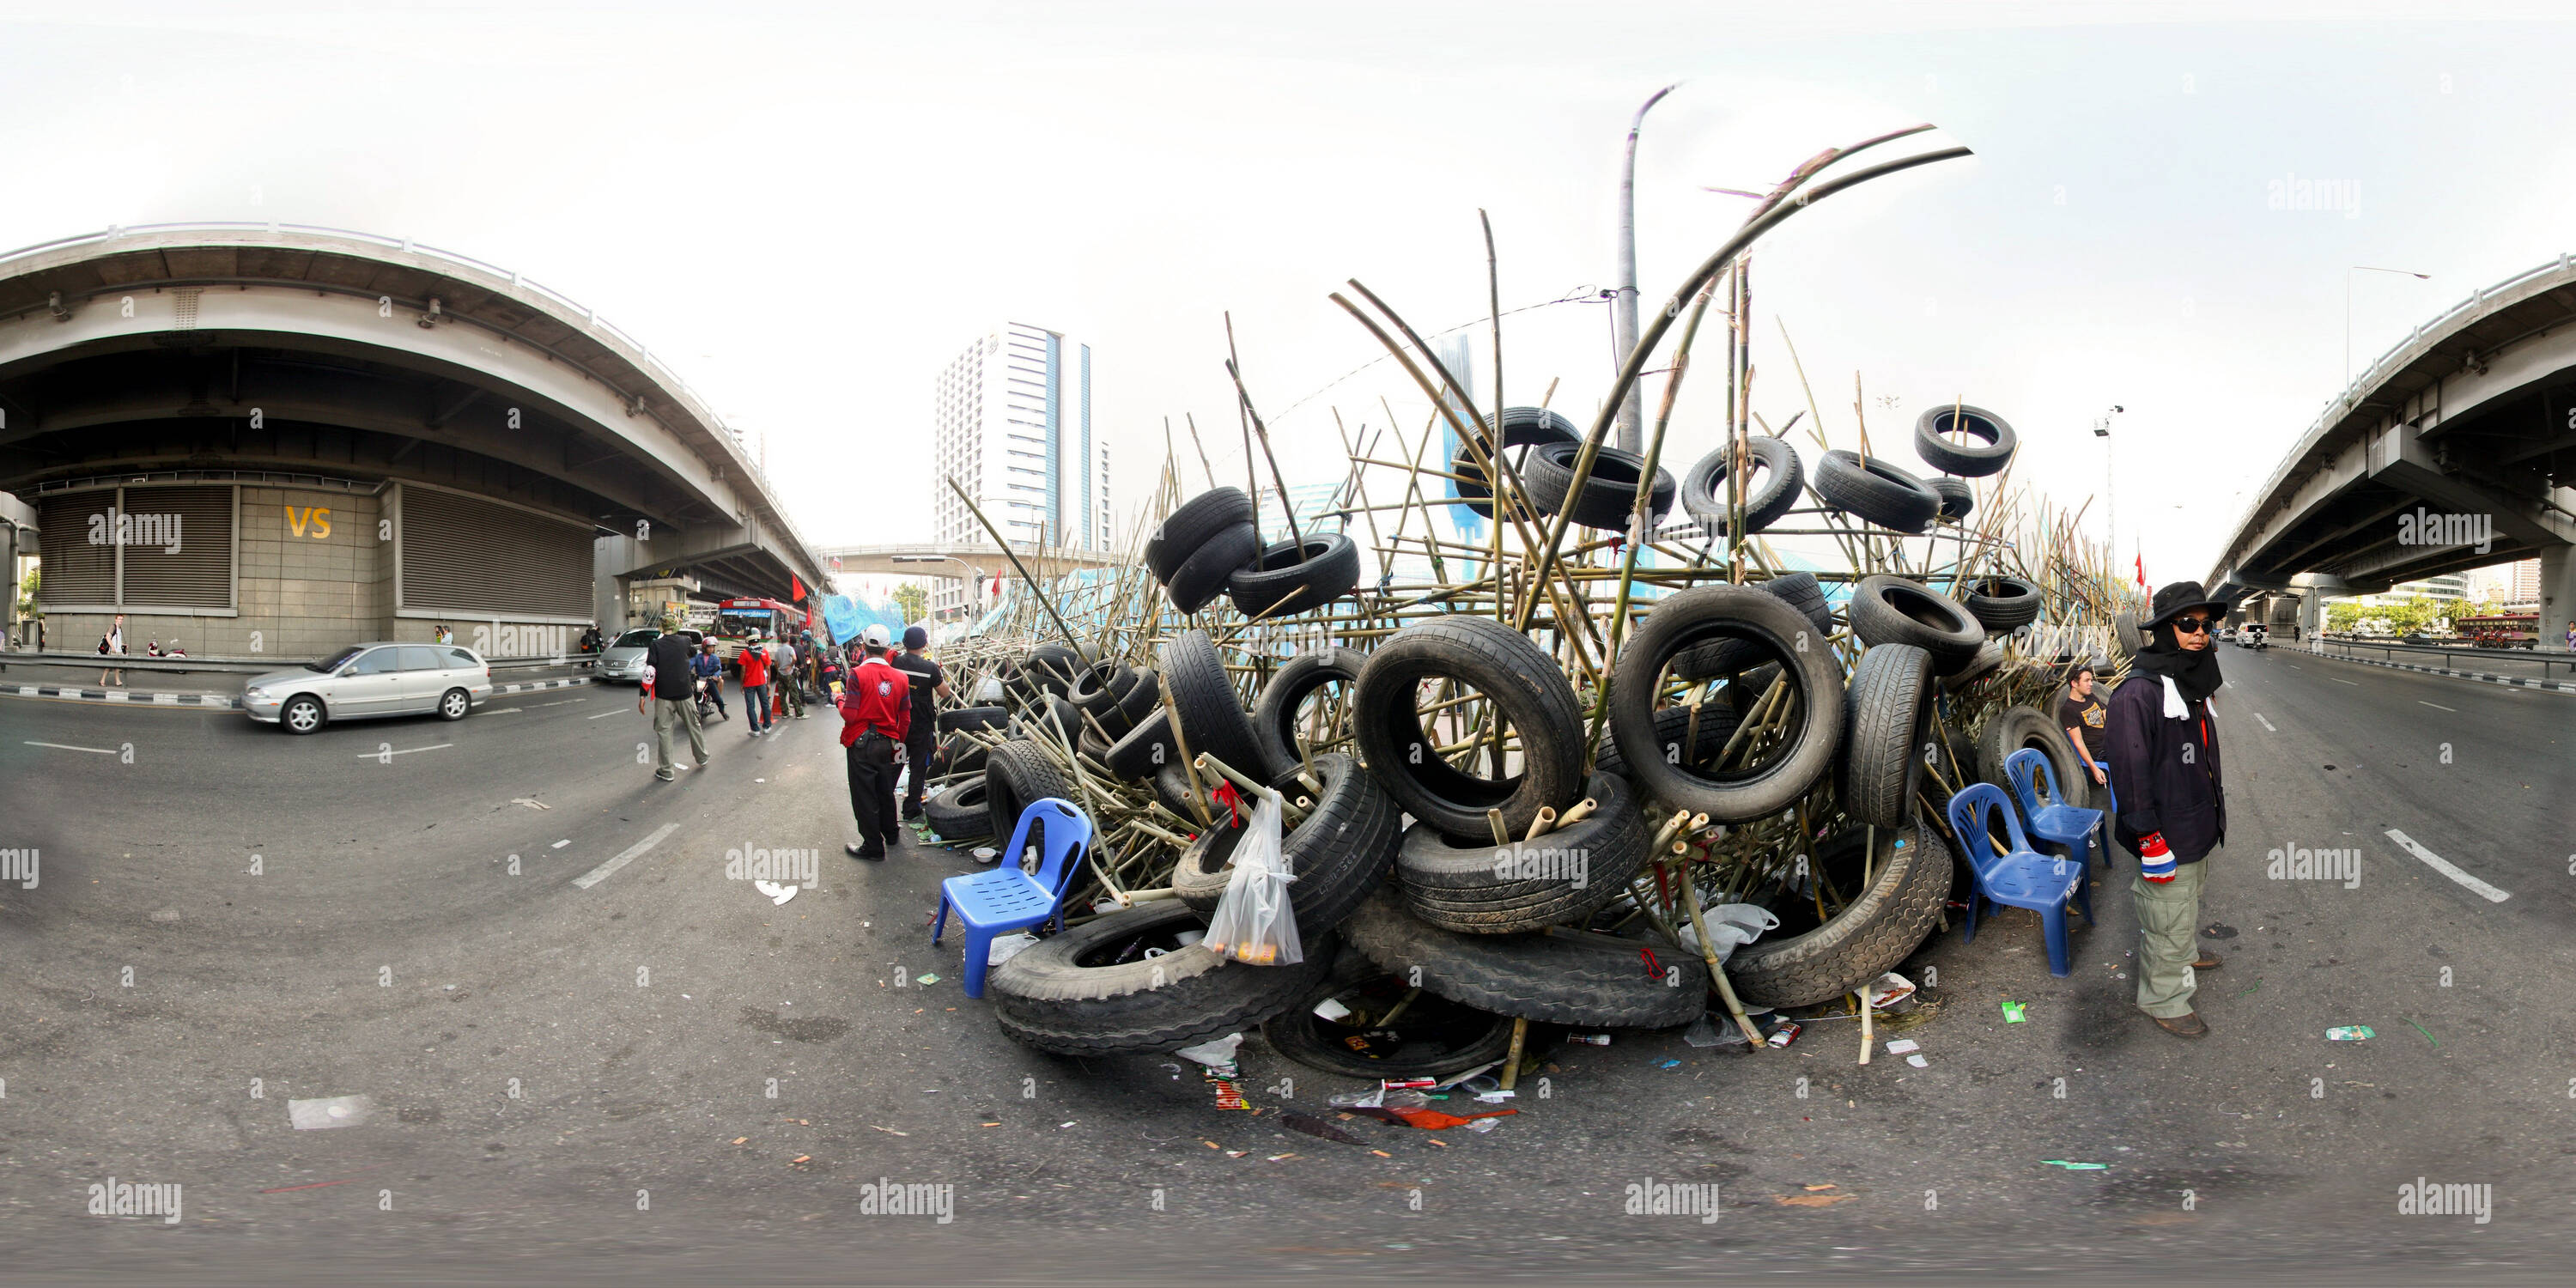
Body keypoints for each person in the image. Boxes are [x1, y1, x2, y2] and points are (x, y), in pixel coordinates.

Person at [2106, 581, 2231, 1040]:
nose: (2200, 633)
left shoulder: (2189, 682)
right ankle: (2164, 997)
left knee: (2185, 904)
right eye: (2188, 625)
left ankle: (2183, 953)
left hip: (2196, 823)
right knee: (2166, 917)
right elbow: (2130, 772)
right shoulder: (2138, 694)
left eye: (2206, 625)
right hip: (2167, 832)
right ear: (2164, 630)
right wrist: (2148, 836)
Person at [836, 623, 912, 860]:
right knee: (885, 791)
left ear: (865, 647)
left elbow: (849, 715)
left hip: (862, 744)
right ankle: (891, 834)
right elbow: (905, 718)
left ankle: (873, 846)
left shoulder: (856, 675)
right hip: (890, 742)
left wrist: (839, 699)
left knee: (864, 796)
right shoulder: (901, 678)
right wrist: (898, 746)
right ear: (888, 647)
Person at [890, 624, 954, 820]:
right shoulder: (930, 668)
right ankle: (911, 809)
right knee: (918, 769)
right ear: (925, 644)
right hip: (921, 728)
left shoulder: (895, 664)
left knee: (896, 765)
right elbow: (945, 693)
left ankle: (885, 805)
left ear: (904, 643)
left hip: (899, 728)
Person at [641, 614, 708, 782]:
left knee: (664, 732)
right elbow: (693, 653)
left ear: (663, 629)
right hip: (684, 693)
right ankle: (702, 757)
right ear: (677, 626)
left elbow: (650, 672)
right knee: (693, 725)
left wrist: (643, 695)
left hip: (664, 695)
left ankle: (667, 771)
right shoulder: (685, 641)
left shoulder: (655, 645)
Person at [2057, 662, 2111, 790]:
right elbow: (2079, 743)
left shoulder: (2090, 696)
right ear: (2074, 684)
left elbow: (2106, 714)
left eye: (2091, 680)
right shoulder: (2068, 710)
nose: (2091, 684)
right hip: (2099, 752)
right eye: (2087, 681)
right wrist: (2095, 769)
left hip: (2110, 741)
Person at [738, 633, 775, 737]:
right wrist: (768, 683)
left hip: (749, 684)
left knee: (750, 707)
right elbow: (768, 668)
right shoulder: (764, 652)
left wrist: (742, 684)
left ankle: (755, 730)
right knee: (765, 704)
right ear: (758, 641)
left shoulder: (745, 653)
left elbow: (743, 670)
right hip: (762, 682)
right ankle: (767, 727)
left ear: (748, 642)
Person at [690, 638, 729, 720]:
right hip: (699, 680)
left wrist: (715, 675)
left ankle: (723, 712)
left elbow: (719, 669)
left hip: (710, 681)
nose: (711, 649)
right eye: (709, 647)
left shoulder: (715, 658)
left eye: (713, 647)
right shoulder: (697, 657)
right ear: (704, 648)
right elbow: (690, 664)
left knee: (718, 699)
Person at [776, 635, 805, 720]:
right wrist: (790, 666)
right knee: (794, 694)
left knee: (782, 695)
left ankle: (785, 713)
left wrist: (779, 670)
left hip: (781, 673)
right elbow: (795, 658)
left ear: (780, 640)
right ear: (788, 640)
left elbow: (776, 663)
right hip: (789, 674)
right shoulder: (790, 649)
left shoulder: (778, 650)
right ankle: (799, 714)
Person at [100, 613, 125, 687]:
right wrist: (112, 647)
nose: (121, 621)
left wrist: (122, 644)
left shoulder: (119, 628)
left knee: (116, 667)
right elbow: (108, 637)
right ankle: (102, 681)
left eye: (122, 619)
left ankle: (117, 681)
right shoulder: (113, 627)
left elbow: (117, 640)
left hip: (118, 651)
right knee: (109, 667)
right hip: (113, 651)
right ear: (116, 619)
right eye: (119, 619)